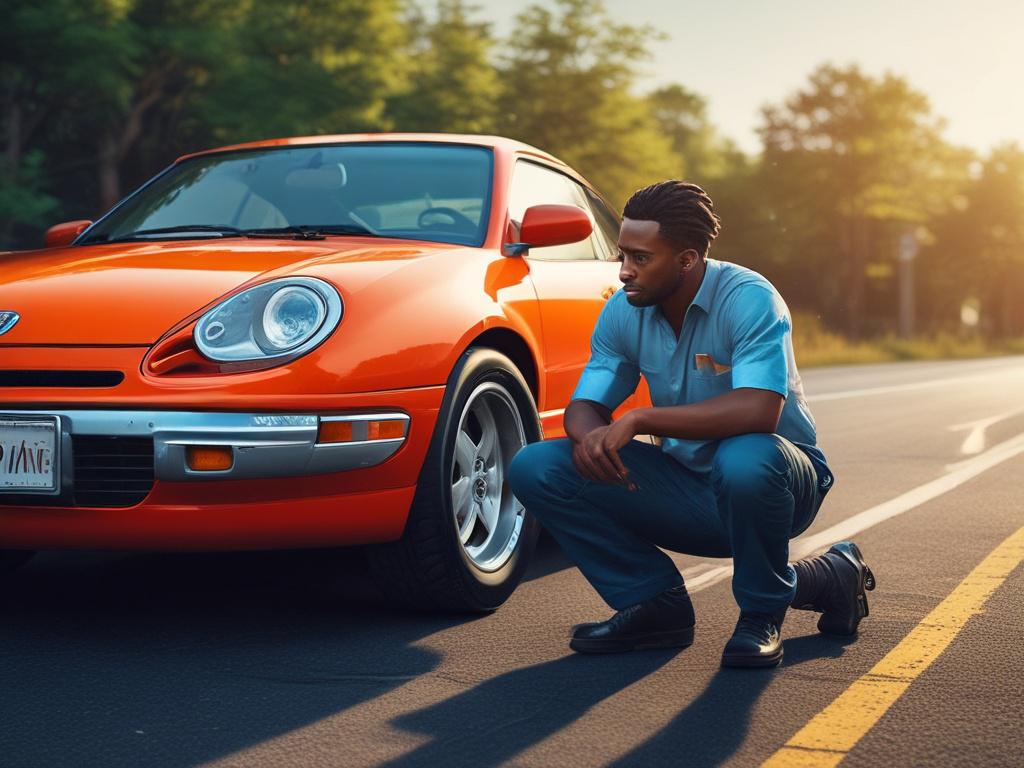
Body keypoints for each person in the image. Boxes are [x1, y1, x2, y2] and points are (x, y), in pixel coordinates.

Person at [508, 180, 875, 668]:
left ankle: (761, 614)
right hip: (685, 484)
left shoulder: (749, 299)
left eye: (641, 258)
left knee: (745, 455)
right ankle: (655, 605)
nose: (624, 271)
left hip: (778, 482)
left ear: (686, 260)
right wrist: (592, 439)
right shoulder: (624, 309)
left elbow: (759, 411)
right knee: (537, 465)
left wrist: (640, 417)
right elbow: (584, 406)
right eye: (622, 254)